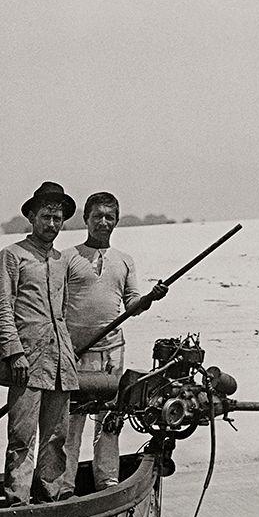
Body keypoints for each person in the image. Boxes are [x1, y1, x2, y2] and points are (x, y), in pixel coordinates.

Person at [62, 189, 164, 495]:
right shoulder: (68, 258)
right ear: (86, 219)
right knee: (71, 422)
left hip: (112, 352)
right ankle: (64, 486)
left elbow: (132, 304)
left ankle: (107, 482)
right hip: (75, 352)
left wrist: (148, 299)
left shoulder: (124, 261)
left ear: (117, 221)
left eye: (110, 217)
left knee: (110, 420)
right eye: (97, 217)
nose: (103, 222)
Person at [0, 181, 80, 503]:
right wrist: (14, 353)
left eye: (58, 219)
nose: (52, 224)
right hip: (26, 360)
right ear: (31, 216)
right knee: (21, 437)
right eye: (46, 217)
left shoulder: (61, 260)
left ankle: (50, 497)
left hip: (60, 362)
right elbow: (1, 307)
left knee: (57, 436)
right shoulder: (11, 255)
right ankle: (18, 500)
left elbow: (65, 311)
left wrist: (69, 354)